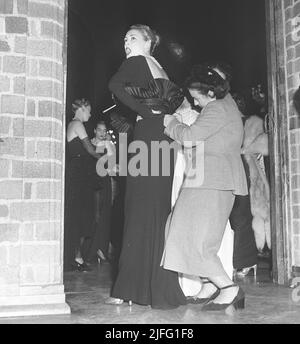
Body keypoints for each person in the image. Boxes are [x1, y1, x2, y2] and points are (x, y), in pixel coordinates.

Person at [105, 24, 187, 309]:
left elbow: (114, 85)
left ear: (148, 41)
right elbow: (178, 106)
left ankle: (129, 288)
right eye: (124, 38)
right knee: (156, 210)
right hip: (164, 140)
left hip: (150, 136)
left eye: (132, 37)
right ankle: (157, 288)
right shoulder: (161, 69)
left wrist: (143, 111)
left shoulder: (138, 61)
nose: (126, 42)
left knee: (139, 208)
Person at [161, 65, 248, 311]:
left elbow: (189, 137)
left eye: (197, 97)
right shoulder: (226, 104)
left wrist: (170, 122)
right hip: (212, 180)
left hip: (212, 181)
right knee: (184, 231)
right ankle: (210, 283)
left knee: (194, 238)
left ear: (210, 93)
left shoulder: (217, 108)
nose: (195, 103)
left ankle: (228, 288)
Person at [206, 61, 258, 277]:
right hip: (220, 163)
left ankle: (246, 260)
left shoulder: (228, 104)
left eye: (216, 76)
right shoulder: (213, 103)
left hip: (235, 162)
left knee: (239, 212)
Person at [64, 98, 102, 272]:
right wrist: (107, 159)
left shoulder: (76, 125)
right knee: (80, 214)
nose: (91, 113)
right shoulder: (77, 124)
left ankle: (76, 257)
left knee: (80, 215)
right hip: (78, 174)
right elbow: (90, 150)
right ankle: (76, 258)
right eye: (89, 110)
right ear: (81, 109)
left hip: (79, 173)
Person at [87, 120, 115, 264]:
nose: (102, 133)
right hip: (90, 181)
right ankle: (90, 250)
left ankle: (100, 249)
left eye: (104, 131)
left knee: (103, 215)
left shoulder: (108, 145)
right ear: (95, 130)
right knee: (92, 214)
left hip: (103, 181)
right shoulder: (88, 142)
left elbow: (112, 164)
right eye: (100, 130)